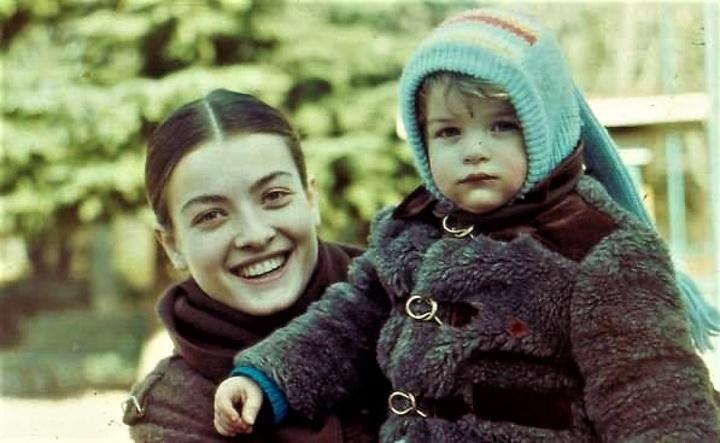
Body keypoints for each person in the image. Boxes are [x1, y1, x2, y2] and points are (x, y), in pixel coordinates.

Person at [214, 8, 720, 442]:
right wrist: (268, 377)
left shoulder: (596, 247)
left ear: (547, 128)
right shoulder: (410, 230)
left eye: (502, 126)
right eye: (449, 132)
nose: (474, 149)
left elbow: (650, 390)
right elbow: (346, 323)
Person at [121, 89, 387, 442]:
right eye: (211, 215)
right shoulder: (174, 408)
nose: (255, 235)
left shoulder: (410, 303)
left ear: (311, 199)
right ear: (173, 245)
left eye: (274, 196)